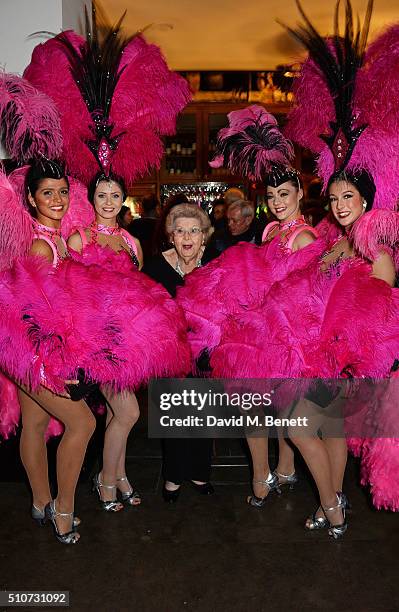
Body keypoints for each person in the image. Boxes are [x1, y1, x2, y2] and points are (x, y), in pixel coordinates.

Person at [68, 174, 143, 511]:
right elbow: (67, 295)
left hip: (127, 339)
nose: (109, 202)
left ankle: (120, 474)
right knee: (129, 412)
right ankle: (106, 480)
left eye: (116, 195)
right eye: (102, 195)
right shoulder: (80, 238)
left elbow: (139, 290)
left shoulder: (131, 240)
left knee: (118, 412)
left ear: (124, 198)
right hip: (97, 342)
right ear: (91, 199)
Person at [142, 204, 214, 501]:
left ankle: (199, 473)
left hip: (205, 352)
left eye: (194, 231)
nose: (187, 237)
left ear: (204, 237)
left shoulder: (213, 266)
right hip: (169, 350)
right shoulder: (156, 267)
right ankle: (172, 476)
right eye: (180, 230)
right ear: (171, 236)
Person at [130, 194, 161, 261]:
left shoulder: (134, 224)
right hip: (157, 261)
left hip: (137, 260)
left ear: (142, 207)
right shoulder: (161, 225)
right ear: (157, 207)